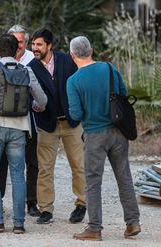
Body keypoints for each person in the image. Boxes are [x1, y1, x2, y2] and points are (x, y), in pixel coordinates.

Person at [0, 34, 47, 234]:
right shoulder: (26, 69)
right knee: (18, 175)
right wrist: (36, 106)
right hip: (19, 129)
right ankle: (19, 224)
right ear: (17, 51)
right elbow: (42, 99)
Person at [68, 36, 141, 241]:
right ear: (91, 51)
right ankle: (133, 222)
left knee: (93, 182)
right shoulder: (110, 68)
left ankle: (94, 228)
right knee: (124, 176)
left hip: (94, 134)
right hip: (118, 131)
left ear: (72, 55)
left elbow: (75, 114)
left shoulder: (73, 81)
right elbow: (124, 94)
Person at [28, 28, 86, 224]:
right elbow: (30, 96)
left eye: (39, 44)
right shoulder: (30, 67)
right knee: (45, 168)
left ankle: (81, 204)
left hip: (71, 123)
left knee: (78, 165)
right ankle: (46, 209)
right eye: (33, 44)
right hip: (46, 125)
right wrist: (34, 105)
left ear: (49, 45)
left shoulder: (67, 60)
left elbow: (80, 85)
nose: (34, 48)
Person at [3, 24, 40, 216]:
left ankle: (31, 201)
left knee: (32, 163)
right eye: (16, 41)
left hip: (29, 120)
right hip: (4, 121)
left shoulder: (33, 61)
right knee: (2, 164)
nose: (20, 45)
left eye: (23, 41)